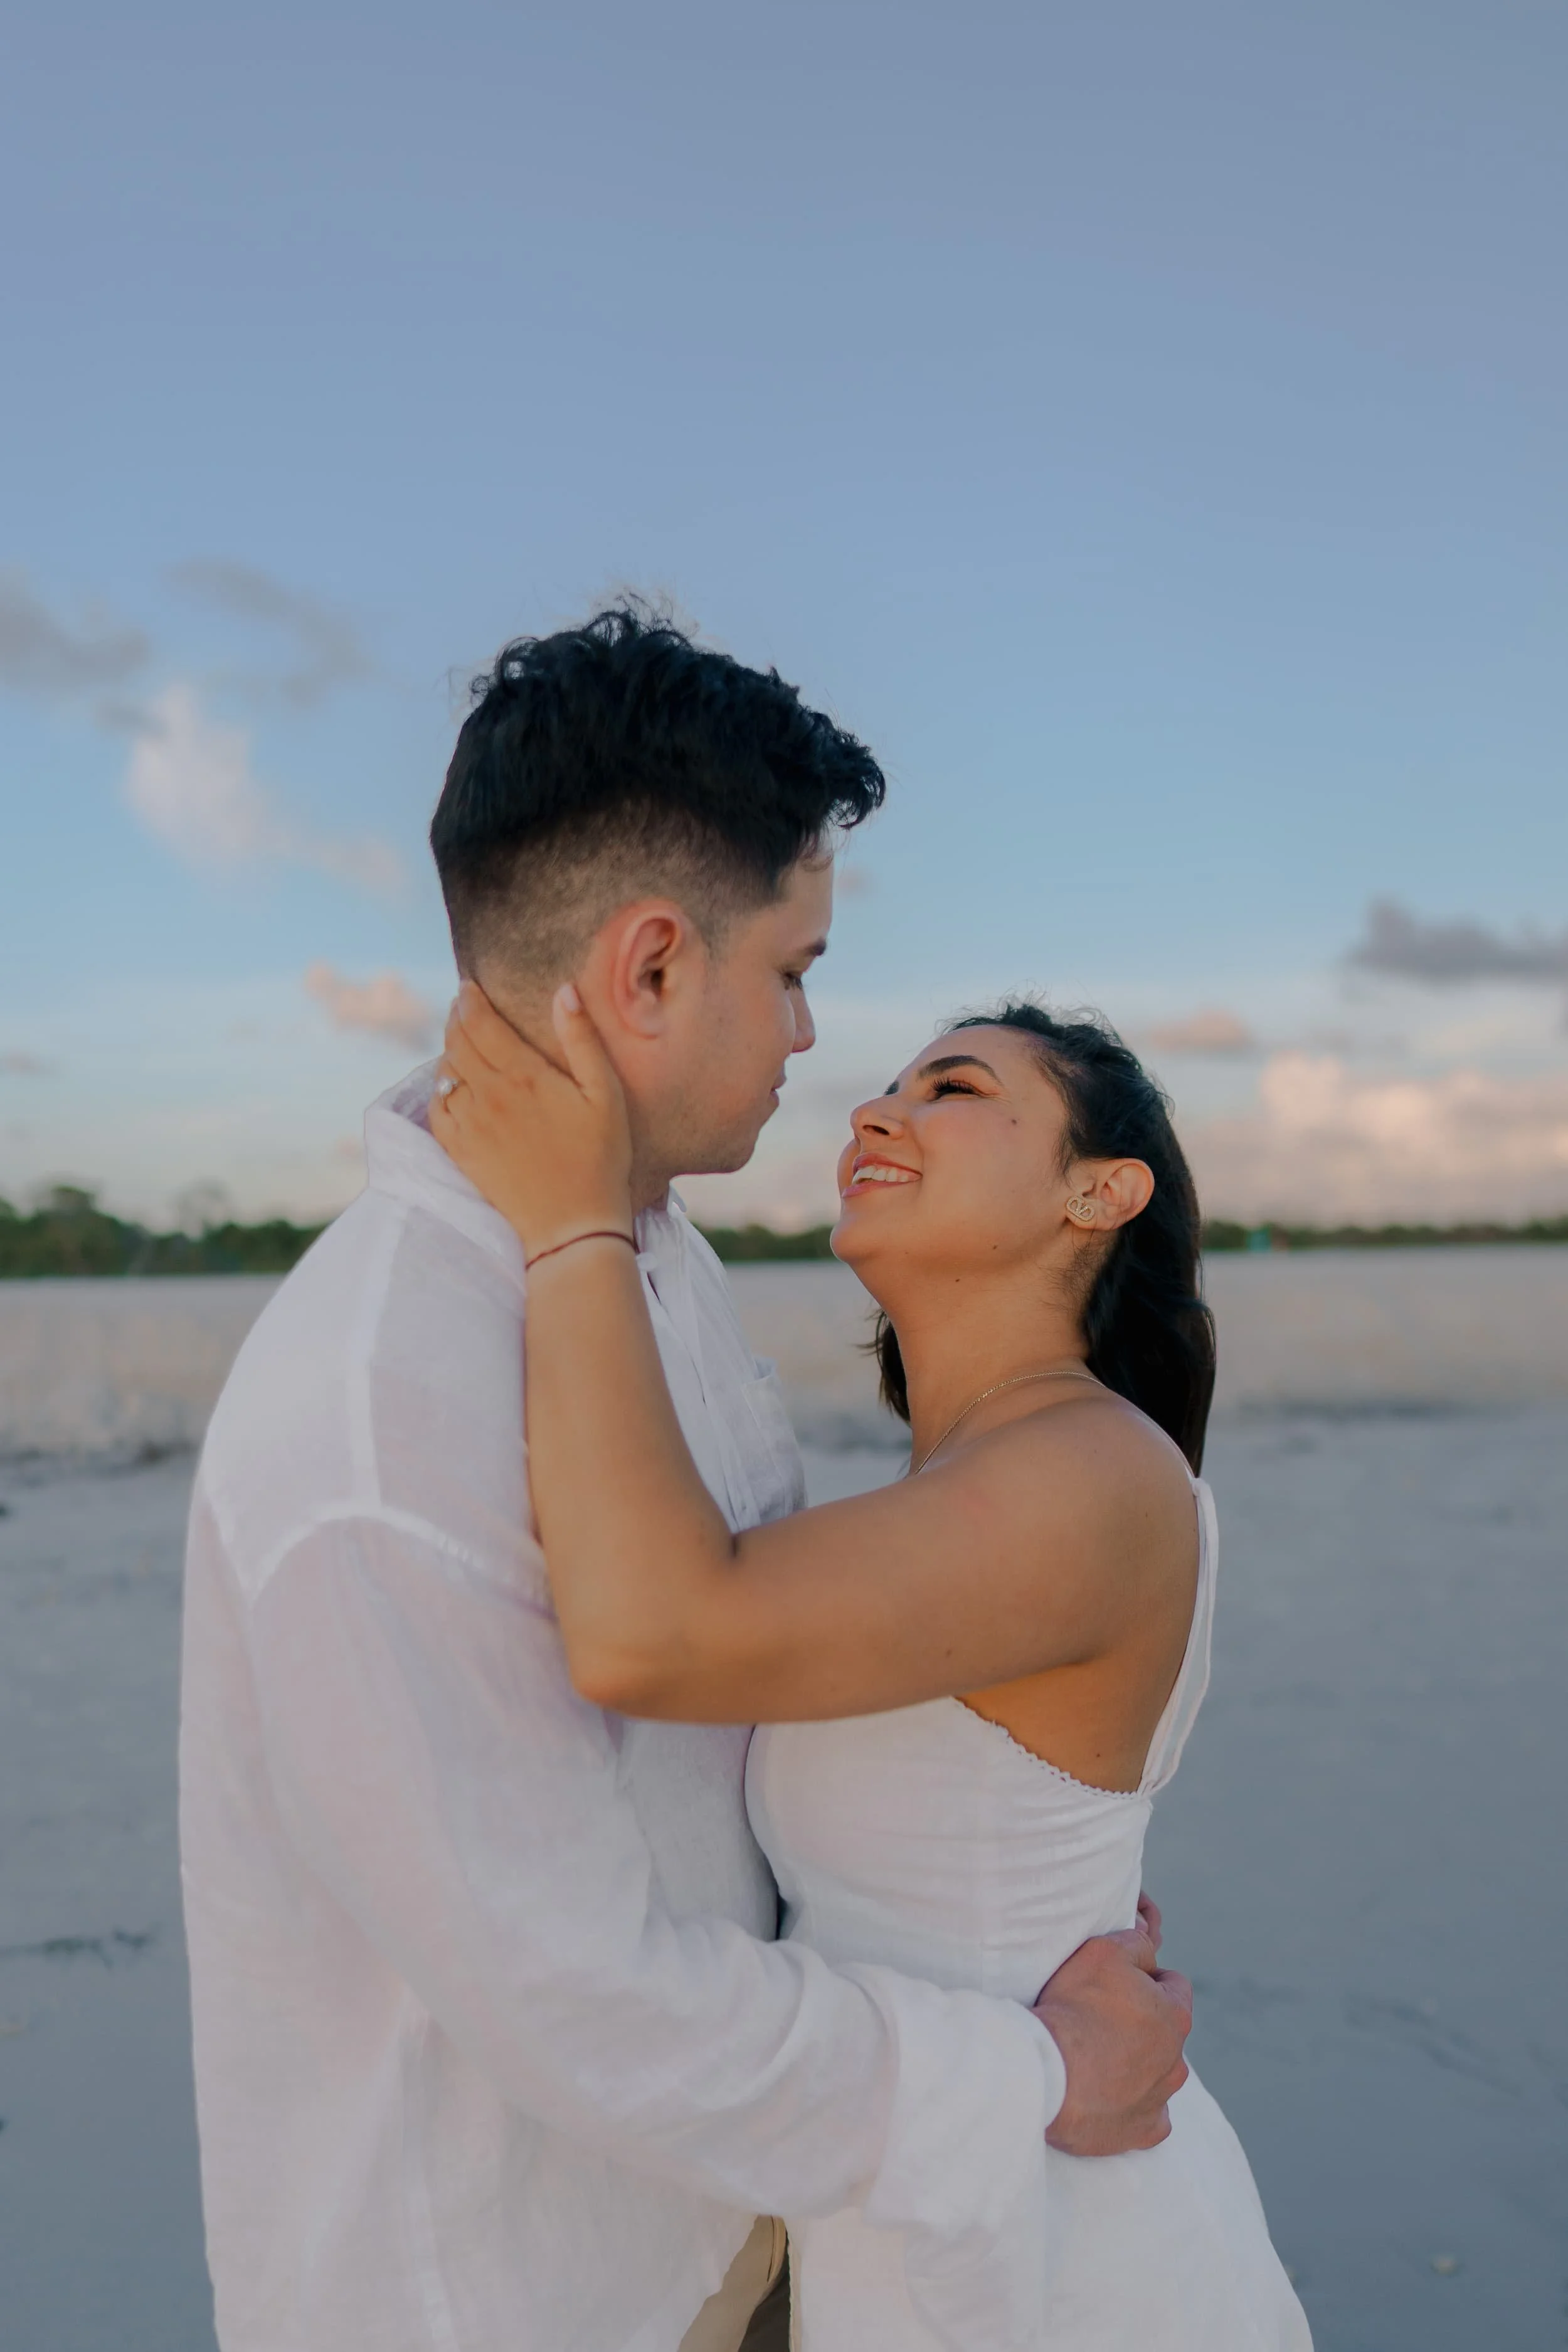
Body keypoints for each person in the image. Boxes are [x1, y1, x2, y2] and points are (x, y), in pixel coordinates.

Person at [179, 606, 1190, 2352]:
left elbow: (754, 1711)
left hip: (780, 2227)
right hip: (523, 2298)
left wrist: (1026, 1898)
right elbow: (587, 2000)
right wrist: (1024, 2057)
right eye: (793, 969)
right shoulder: (372, 1423)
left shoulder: (655, 1265)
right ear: (652, 968)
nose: (816, 1042)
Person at [428, 974, 1315, 2349]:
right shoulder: (968, 1488)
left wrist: (571, 1220)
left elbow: (646, 1633)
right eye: (893, 1084)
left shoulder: (1085, 1471)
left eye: (954, 1092)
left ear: (1101, 1193)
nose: (876, 1111)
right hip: (926, 2185)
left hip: (1046, 2256)